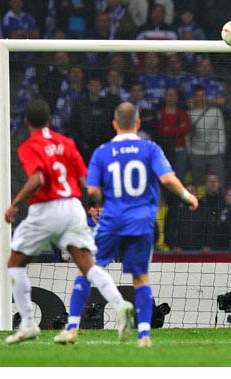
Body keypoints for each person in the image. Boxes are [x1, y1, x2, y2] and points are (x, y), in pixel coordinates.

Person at [54, 103, 199, 348]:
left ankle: (72, 328)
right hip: (141, 220)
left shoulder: (102, 151)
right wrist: (187, 196)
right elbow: (166, 178)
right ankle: (143, 335)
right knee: (140, 277)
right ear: (138, 123)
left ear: (114, 124)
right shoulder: (150, 148)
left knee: (87, 270)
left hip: (111, 219)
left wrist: (105, 199)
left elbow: (92, 190)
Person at [4, 99, 134, 344]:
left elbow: (38, 179)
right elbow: (86, 181)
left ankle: (29, 323)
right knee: (88, 265)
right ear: (50, 120)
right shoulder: (66, 143)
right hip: (73, 206)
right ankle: (120, 305)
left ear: (25, 122)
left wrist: (15, 204)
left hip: (47, 208)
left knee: (15, 263)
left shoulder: (29, 146)